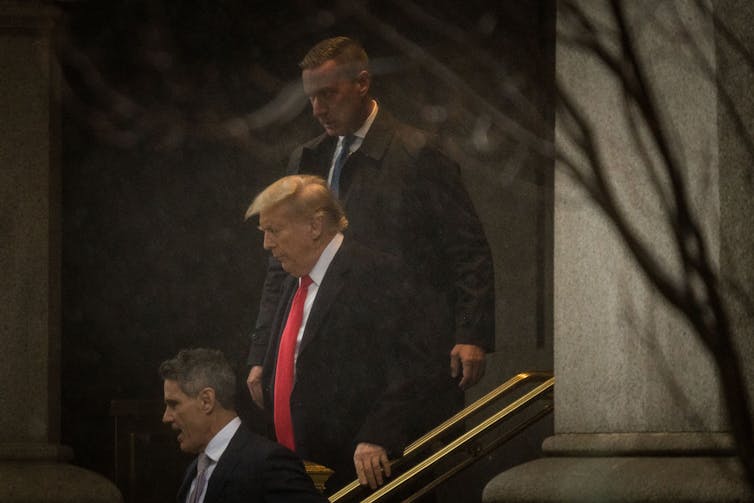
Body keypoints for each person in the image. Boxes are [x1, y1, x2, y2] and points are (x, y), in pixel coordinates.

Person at [247, 36, 495, 432]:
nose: (318, 109)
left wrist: (471, 333)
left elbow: (467, 249)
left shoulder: (418, 154)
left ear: (362, 83)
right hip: (324, 349)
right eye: (310, 97)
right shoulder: (307, 158)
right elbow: (281, 262)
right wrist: (264, 350)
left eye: (328, 94)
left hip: (401, 349)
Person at [245, 175, 435, 493]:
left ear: (315, 226)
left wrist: (379, 434)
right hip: (296, 470)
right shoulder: (294, 279)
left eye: (274, 230)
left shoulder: (377, 273)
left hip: (356, 471)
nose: (266, 243)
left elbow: (415, 365)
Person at [160, 347, 326, 503]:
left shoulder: (268, 464)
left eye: (174, 404)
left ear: (206, 400)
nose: (166, 417)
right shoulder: (194, 470)